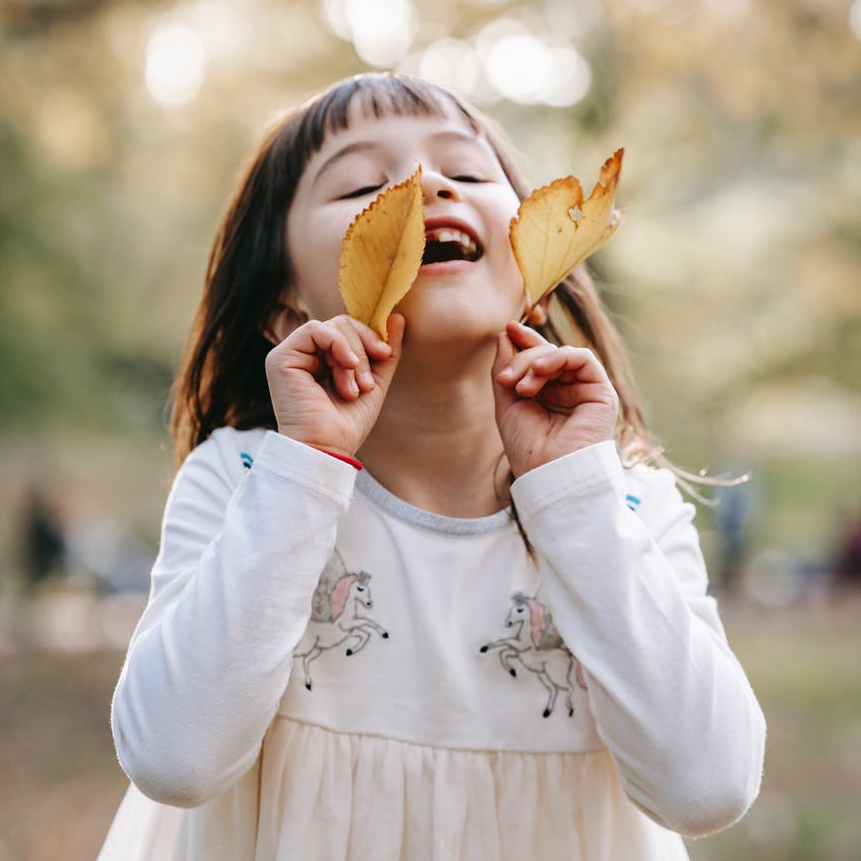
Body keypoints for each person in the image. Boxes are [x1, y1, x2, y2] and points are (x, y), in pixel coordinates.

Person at [98, 73, 765, 861]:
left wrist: (571, 496)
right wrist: (307, 465)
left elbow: (707, 785)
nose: (427, 184)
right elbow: (174, 757)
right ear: (285, 310)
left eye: (469, 171)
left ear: (538, 269)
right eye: (361, 183)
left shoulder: (622, 504)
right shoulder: (247, 479)